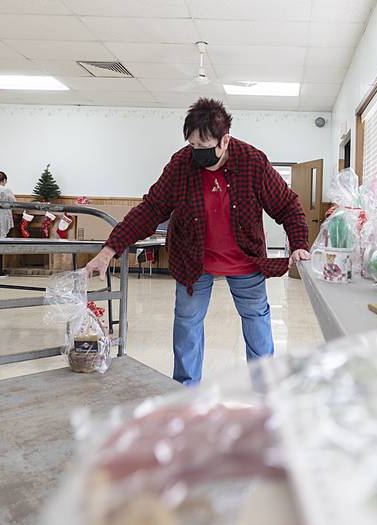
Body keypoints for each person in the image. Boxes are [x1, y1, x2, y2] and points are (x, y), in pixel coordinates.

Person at [86, 98, 311, 385]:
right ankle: (185, 388)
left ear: (224, 140)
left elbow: (287, 205)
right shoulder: (181, 164)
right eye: (192, 146)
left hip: (246, 258)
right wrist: (110, 249)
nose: (197, 153)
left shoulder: (252, 161)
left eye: (204, 147)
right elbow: (151, 208)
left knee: (256, 320)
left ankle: (265, 388)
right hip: (193, 259)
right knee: (187, 323)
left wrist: (299, 243)